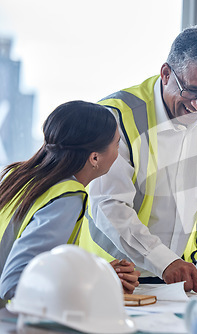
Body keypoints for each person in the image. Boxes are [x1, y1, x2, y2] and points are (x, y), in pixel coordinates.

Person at [78, 26, 197, 293]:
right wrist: (164, 260)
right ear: (166, 73)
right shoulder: (118, 117)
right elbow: (109, 206)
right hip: (113, 276)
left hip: (177, 276)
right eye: (191, 91)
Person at [0, 101, 140, 302]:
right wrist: (99, 281)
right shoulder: (66, 197)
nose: (118, 153)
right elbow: (16, 282)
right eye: (117, 144)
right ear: (94, 158)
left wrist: (99, 273)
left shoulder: (19, 176)